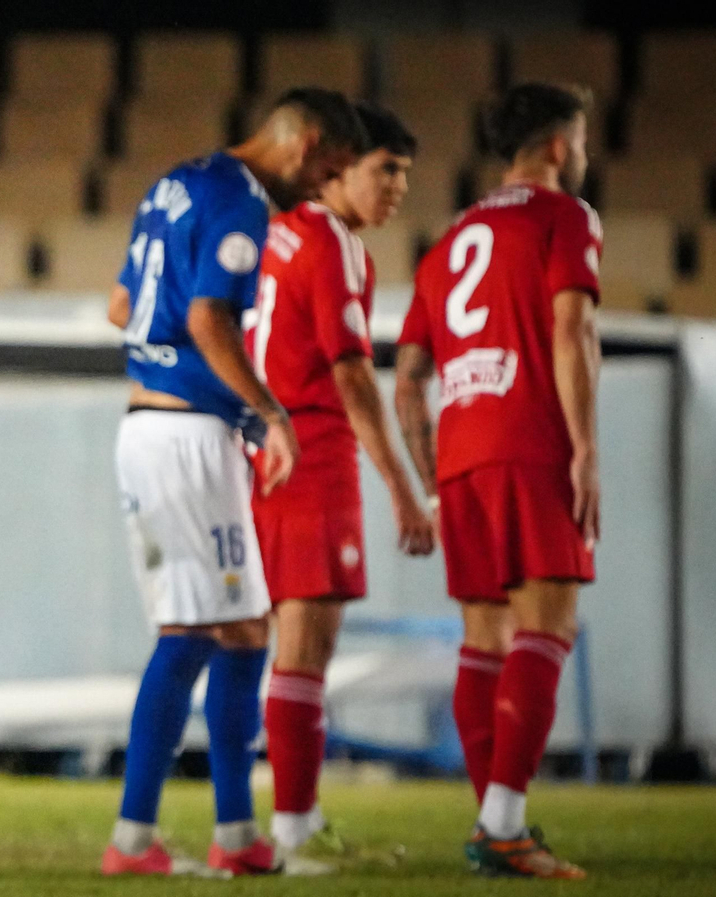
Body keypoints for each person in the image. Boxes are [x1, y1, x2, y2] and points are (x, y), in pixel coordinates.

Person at [99, 88, 368, 878]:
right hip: (187, 439)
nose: (321, 187)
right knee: (233, 629)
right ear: (304, 140)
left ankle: (181, 835)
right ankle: (193, 837)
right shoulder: (241, 201)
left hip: (147, 428)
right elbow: (211, 320)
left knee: (216, 630)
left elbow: (123, 304)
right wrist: (269, 412)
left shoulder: (176, 183)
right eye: (328, 169)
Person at [394, 82, 601, 880]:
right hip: (531, 440)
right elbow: (572, 326)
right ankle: (505, 827)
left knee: (485, 643)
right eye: (578, 141)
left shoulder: (451, 241)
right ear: (556, 145)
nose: (581, 156)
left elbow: (409, 376)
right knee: (548, 629)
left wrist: (435, 474)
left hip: (463, 452)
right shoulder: (566, 218)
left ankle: (496, 823)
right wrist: (584, 449)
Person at [247, 103, 434, 874]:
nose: (395, 189)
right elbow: (353, 375)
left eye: (405, 175)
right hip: (313, 455)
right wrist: (402, 487)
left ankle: (256, 822)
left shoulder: (273, 234)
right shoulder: (335, 246)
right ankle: (292, 826)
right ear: (339, 167)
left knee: (251, 646)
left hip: (254, 455)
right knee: (304, 650)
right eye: (384, 169)